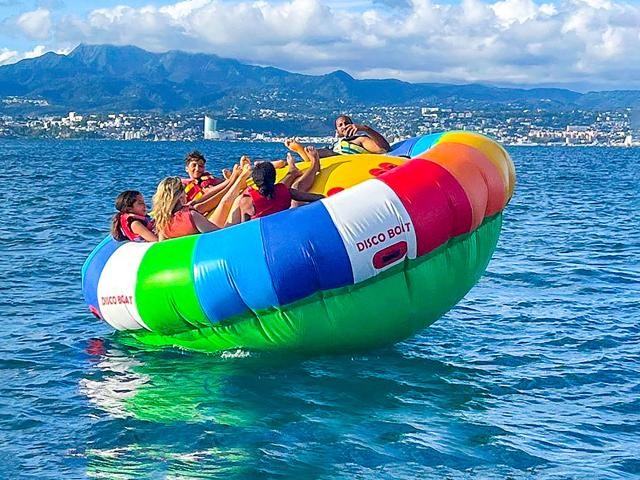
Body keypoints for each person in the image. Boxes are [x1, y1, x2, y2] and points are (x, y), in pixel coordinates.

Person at [153, 165, 251, 241]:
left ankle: (236, 181)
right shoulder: (191, 216)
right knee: (237, 201)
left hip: (188, 259)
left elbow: (162, 246)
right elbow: (219, 238)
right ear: (180, 196)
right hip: (208, 251)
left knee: (214, 205)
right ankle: (239, 181)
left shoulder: (161, 222)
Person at [234, 157, 324, 222]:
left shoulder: (246, 202)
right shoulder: (287, 192)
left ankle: (293, 171)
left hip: (263, 235)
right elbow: (318, 197)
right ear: (274, 178)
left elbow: (244, 228)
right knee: (295, 189)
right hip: (283, 228)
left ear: (255, 181)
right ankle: (312, 165)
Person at [313, 115, 391, 157]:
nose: (344, 126)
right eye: (340, 125)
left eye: (346, 123)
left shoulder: (360, 140)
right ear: (337, 131)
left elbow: (384, 149)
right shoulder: (334, 146)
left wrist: (366, 129)